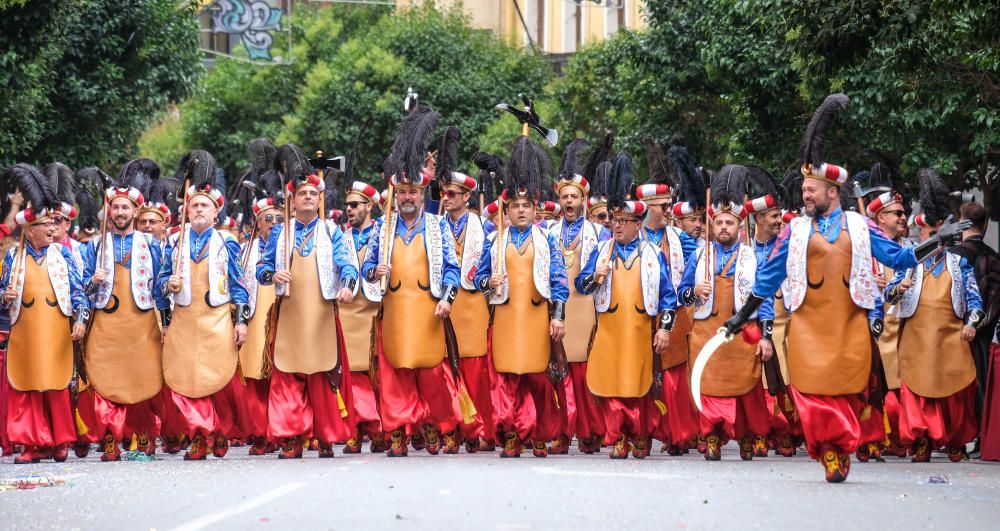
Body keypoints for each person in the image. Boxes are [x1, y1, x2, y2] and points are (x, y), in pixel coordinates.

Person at [722, 94, 966, 482]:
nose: (805, 194)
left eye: (812, 189)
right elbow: (768, 278)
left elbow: (899, 259)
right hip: (807, 328)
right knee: (811, 393)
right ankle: (830, 451)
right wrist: (740, 317)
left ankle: (840, 445)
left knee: (848, 392)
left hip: (849, 326)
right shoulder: (795, 230)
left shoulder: (860, 226)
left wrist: (938, 241)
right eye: (804, 188)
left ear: (832, 191)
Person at [362, 106, 465, 457]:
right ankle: (398, 433)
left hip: (427, 312)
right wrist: (371, 272)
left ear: (422, 194)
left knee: (433, 376)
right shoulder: (382, 227)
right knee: (395, 375)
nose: (407, 197)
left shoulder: (437, 227)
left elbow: (452, 269)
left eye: (413, 192)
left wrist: (447, 298)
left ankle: (441, 424)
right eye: (402, 192)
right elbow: (366, 269)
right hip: (394, 312)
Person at [256, 145, 358, 459]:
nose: (309, 197)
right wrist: (273, 274)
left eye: (314, 193)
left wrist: (348, 284)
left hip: (322, 314)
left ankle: (325, 436)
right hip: (289, 314)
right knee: (287, 374)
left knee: (323, 373)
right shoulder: (279, 233)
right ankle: (292, 437)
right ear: (292, 200)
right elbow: (261, 270)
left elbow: (348, 264)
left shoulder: (331, 231)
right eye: (303, 194)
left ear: (321, 199)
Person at [576, 152, 676, 459]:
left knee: (637, 384)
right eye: (614, 221)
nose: (616, 227)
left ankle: (639, 433)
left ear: (637, 224)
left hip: (638, 331)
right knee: (610, 384)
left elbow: (668, 296)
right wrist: (595, 275)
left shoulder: (652, 254)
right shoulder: (602, 250)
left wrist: (665, 329)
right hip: (609, 331)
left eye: (623, 222)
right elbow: (581, 285)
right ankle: (617, 436)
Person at [474, 136, 568, 458]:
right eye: (515, 206)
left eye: (526, 206)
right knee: (507, 380)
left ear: (535, 209)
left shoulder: (547, 241)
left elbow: (558, 280)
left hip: (536, 319)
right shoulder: (495, 241)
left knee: (539, 382)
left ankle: (540, 433)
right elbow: (477, 279)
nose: (521, 210)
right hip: (505, 320)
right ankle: (512, 432)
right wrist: (490, 280)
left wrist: (558, 316)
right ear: (508, 209)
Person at [885, 169, 985, 462]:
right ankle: (921, 441)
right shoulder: (910, 263)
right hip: (916, 338)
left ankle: (954, 439)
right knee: (917, 391)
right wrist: (898, 288)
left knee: (954, 392)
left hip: (951, 339)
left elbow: (976, 303)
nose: (934, 240)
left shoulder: (959, 263)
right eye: (929, 235)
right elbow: (889, 294)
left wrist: (971, 325)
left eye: (937, 235)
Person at [158, 150, 249, 461]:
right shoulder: (172, 242)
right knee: (183, 379)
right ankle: (198, 434)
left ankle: (217, 429)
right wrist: (165, 288)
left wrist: (242, 321)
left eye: (204, 205)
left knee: (217, 377)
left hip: (217, 320)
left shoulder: (228, 242)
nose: (198, 209)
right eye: (194, 204)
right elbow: (157, 284)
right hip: (183, 320)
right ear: (186, 209)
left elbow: (239, 285)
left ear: (215, 212)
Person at [679, 166, 773, 461]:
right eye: (718, 222)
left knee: (746, 386)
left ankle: (747, 435)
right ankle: (711, 437)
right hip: (707, 332)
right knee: (707, 384)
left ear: (739, 226)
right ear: (712, 224)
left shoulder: (752, 257)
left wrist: (766, 336)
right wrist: (696, 291)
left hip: (742, 333)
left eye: (728, 223)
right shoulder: (699, 254)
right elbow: (681, 293)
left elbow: (765, 299)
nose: (723, 227)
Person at [76, 160, 168, 461]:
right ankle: (111, 436)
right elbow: (83, 291)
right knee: (105, 377)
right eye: (115, 207)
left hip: (141, 323)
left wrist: (166, 321)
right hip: (106, 324)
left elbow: (161, 287)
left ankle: (143, 433)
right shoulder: (94, 245)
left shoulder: (151, 244)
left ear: (136, 211)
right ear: (109, 211)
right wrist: (93, 282)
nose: (119, 213)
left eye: (125, 208)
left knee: (143, 378)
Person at [1, 164, 89, 464]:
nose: (52, 229)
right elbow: (2, 294)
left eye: (55, 224)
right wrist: (5, 295)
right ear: (30, 228)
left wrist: (80, 319)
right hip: (24, 332)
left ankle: (59, 440)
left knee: (55, 384)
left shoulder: (63, 254)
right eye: (45, 224)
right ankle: (30, 444)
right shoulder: (14, 255)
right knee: (26, 386)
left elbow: (78, 292)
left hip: (55, 331)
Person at [636, 139, 702, 455]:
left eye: (668, 205)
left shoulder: (678, 238)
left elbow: (704, 256)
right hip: (637, 314)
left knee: (674, 377)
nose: (668, 211)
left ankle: (679, 433)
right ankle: (646, 431)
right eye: (663, 207)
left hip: (672, 314)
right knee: (644, 376)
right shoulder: (628, 238)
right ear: (648, 207)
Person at [547, 139, 611, 455]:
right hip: (558, 308)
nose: (569, 202)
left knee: (585, 373)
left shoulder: (600, 234)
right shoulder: (547, 233)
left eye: (574, 197)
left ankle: (590, 430)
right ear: (558, 201)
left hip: (586, 307)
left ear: (583, 200)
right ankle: (561, 431)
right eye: (565, 197)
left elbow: (593, 277)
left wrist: (592, 277)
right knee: (558, 372)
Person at [439, 165, 495, 453]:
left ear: (466, 197)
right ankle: (454, 429)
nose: (446, 198)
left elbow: (491, 267)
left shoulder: (485, 228)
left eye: (451, 193)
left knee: (476, 371)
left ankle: (483, 429)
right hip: (442, 307)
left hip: (472, 306)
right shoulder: (435, 226)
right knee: (447, 372)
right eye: (443, 193)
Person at [340, 180, 387, 454]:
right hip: (347, 312)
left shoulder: (383, 233)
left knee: (376, 374)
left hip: (374, 310)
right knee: (352, 375)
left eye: (355, 205)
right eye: (347, 205)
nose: (349, 209)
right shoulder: (340, 237)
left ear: (369, 206)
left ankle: (380, 428)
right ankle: (355, 430)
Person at [955, 201, 1000, 459]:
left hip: (954, 331)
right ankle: (983, 435)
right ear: (984, 225)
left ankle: (957, 438)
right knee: (983, 382)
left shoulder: (953, 256)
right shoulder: (995, 257)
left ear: (961, 222)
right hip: (986, 332)